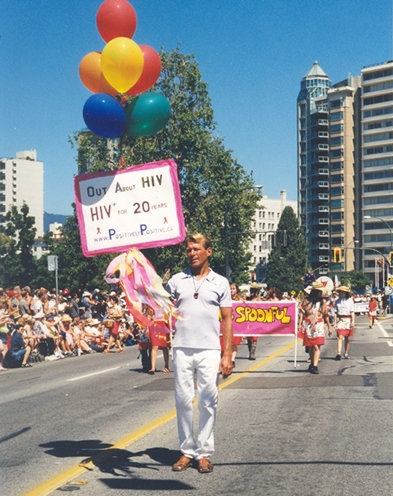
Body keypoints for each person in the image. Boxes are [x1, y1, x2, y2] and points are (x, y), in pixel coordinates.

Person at [166, 233, 233, 474]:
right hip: (182, 348)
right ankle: (186, 451)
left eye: (196, 249)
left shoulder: (220, 282)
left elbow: (227, 319)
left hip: (210, 350)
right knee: (183, 401)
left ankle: (203, 453)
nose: (192, 253)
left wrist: (227, 354)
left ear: (208, 251)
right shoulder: (176, 280)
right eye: (189, 250)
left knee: (208, 402)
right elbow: (160, 305)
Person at [298, 280, 331, 374]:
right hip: (308, 323)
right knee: (311, 346)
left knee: (317, 346)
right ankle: (312, 363)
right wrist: (301, 311)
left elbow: (325, 314)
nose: (321, 293)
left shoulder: (323, 301)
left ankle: (315, 366)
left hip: (319, 323)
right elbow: (304, 312)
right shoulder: (306, 301)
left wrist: (329, 326)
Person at [334, 285, 355, 360]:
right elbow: (335, 312)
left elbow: (352, 311)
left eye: (343, 292)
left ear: (346, 293)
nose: (342, 293)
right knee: (340, 336)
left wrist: (353, 321)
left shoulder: (350, 301)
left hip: (347, 319)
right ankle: (338, 353)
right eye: (341, 292)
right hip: (340, 319)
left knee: (347, 337)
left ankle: (346, 352)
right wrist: (335, 322)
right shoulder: (337, 301)